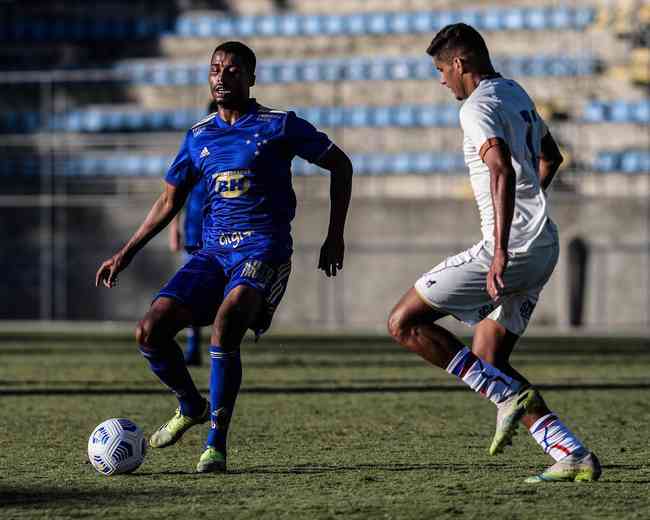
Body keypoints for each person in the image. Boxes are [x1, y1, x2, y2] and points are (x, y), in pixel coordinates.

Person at [96, 41, 353, 473]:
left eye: (233, 70)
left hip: (263, 250)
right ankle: (190, 405)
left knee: (226, 325)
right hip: (213, 253)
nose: (221, 77)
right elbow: (168, 201)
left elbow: (341, 165)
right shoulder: (199, 136)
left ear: (251, 78)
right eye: (216, 69)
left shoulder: (279, 125)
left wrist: (334, 236)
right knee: (149, 330)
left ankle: (215, 444)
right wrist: (126, 253)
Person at [387, 24, 600, 483]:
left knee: (403, 322)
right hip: (544, 243)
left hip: (511, 249)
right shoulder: (514, 92)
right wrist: (528, 211)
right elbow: (551, 158)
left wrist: (501, 248)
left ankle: (505, 398)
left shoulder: (476, 107)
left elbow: (499, 167)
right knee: (488, 357)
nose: (442, 80)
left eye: (442, 70)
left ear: (460, 64)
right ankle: (571, 453)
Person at [167, 101, 217, 367]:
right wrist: (174, 226)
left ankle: (216, 347)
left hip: (221, 231)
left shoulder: (234, 148)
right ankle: (193, 347)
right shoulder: (198, 143)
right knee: (192, 291)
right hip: (195, 230)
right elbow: (177, 190)